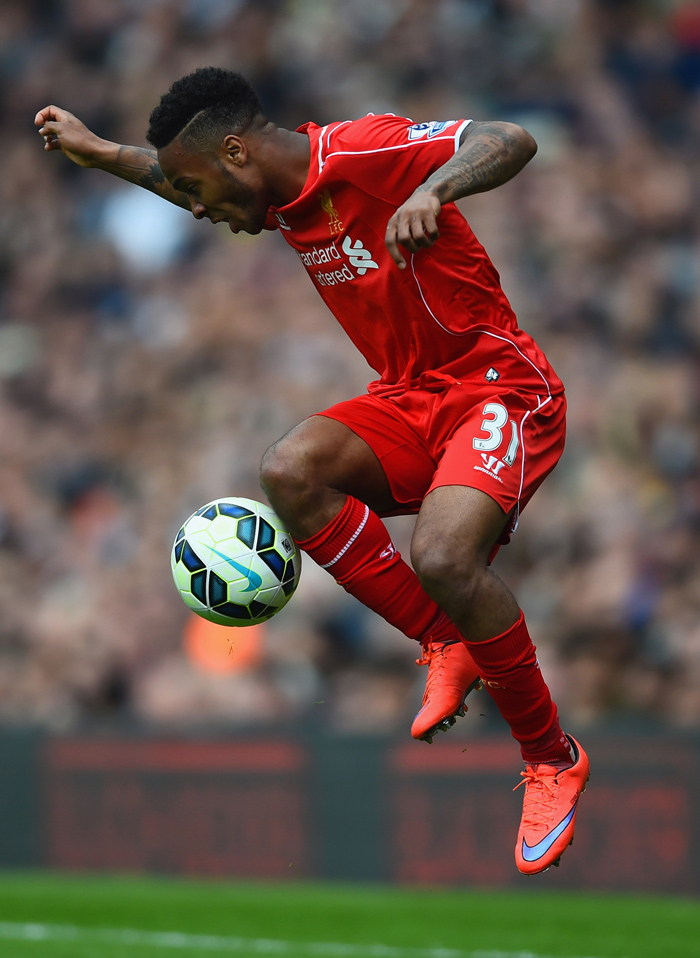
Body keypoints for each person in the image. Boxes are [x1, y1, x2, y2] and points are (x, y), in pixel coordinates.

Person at [36, 67, 588, 875]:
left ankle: (551, 757)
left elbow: (510, 139)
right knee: (290, 469)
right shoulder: (273, 197)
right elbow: (169, 169)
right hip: (409, 400)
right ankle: (442, 639)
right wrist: (99, 152)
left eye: (199, 189)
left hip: (499, 390)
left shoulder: (361, 151)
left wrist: (436, 189)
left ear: (236, 152)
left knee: (442, 557)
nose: (194, 207)